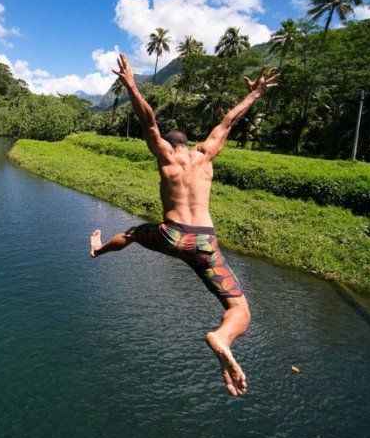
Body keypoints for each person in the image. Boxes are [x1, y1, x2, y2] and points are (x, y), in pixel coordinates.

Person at [90, 54, 279, 396]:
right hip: (205, 243)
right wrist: (255, 93)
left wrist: (131, 84)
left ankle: (97, 250)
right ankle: (223, 337)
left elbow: (148, 122)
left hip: (172, 236)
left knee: (133, 234)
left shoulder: (165, 155)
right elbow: (228, 121)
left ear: (169, 144)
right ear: (189, 143)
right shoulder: (206, 154)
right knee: (240, 309)